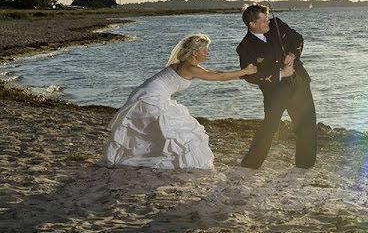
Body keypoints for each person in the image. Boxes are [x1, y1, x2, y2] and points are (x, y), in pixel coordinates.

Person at [102, 34, 257, 169]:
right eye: (205, 50)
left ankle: (141, 156)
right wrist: (245, 71)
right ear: (195, 52)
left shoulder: (184, 64)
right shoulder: (189, 67)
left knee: (162, 131)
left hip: (146, 94)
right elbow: (219, 77)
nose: (207, 53)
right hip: (150, 98)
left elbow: (215, 73)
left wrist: (242, 75)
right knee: (180, 130)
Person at [237, 4, 316, 169]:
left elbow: (298, 39)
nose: (268, 22)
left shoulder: (277, 24)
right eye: (264, 20)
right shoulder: (245, 47)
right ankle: (250, 164)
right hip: (275, 91)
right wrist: (280, 73)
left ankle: (305, 165)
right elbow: (249, 76)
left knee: (306, 124)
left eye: (267, 18)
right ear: (252, 24)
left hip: (299, 82)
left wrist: (292, 54)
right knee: (270, 127)